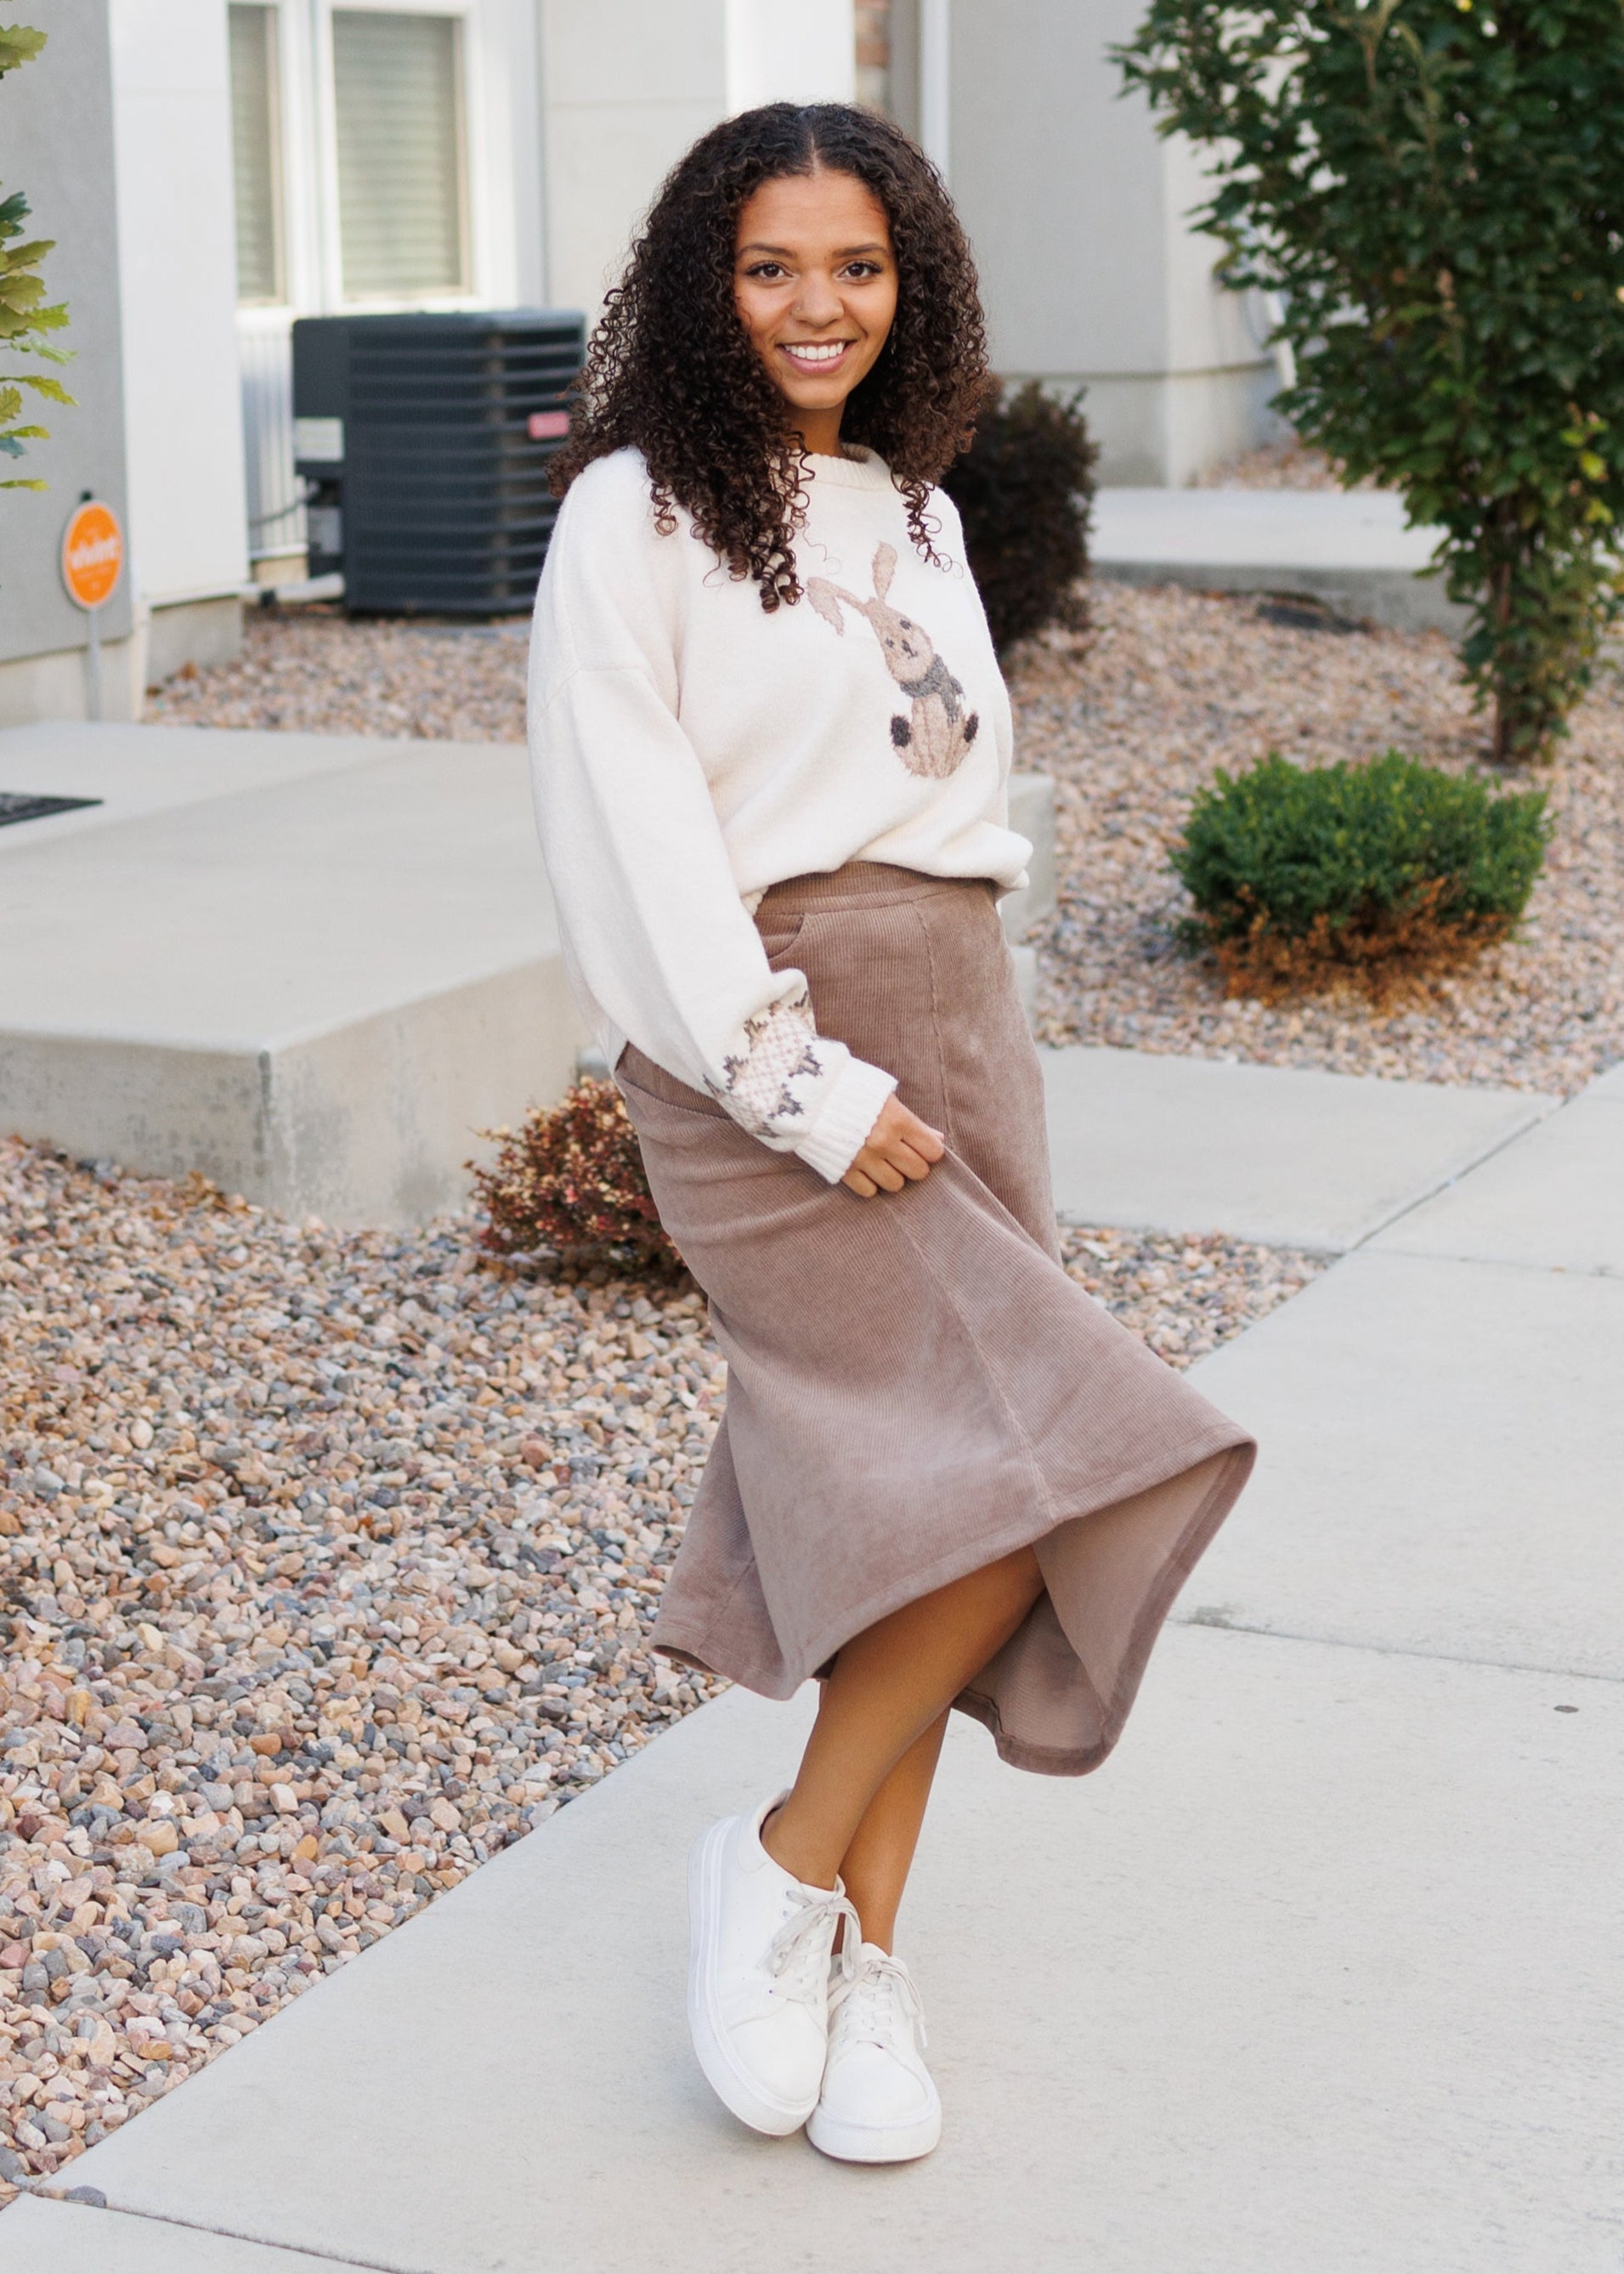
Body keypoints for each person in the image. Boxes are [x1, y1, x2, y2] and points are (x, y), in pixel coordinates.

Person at [529, 101, 1255, 2166]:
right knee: (1027, 1466)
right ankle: (777, 1868)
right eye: (769, 266)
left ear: (905, 282)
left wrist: (944, 1033)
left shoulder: (911, 505)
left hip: (956, 1014)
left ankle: (860, 1965)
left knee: (920, 1503)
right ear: (703, 285)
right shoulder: (634, 516)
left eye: (854, 266)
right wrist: (794, 1083)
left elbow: (943, 796)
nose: (815, 305)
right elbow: (629, 836)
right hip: (768, 1041)